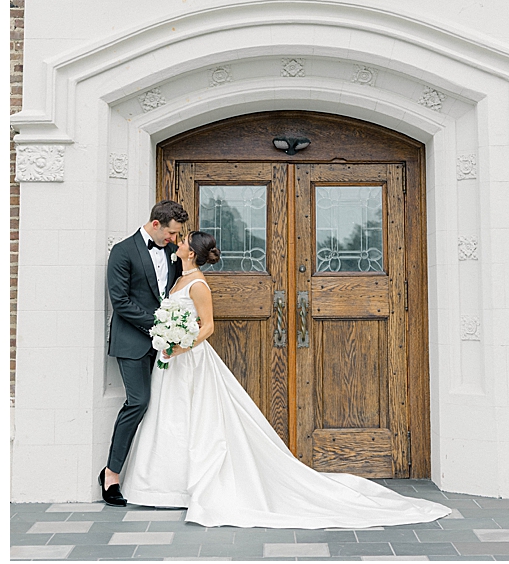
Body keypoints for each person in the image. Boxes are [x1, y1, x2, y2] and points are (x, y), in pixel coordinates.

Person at [121, 231, 451, 528]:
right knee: (174, 418)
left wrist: (180, 347)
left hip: (189, 360)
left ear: (190, 253)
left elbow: (208, 327)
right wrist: (167, 338)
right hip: (173, 360)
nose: (176, 244)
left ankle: (190, 485)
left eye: (182, 242)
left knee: (198, 420)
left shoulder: (198, 285)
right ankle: (166, 486)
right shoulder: (179, 279)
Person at [99, 200, 189, 506]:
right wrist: (160, 324)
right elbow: (120, 301)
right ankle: (111, 474)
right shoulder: (122, 252)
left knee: (165, 407)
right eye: (172, 233)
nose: (174, 239)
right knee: (138, 402)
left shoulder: (171, 252)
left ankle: (153, 477)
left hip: (165, 344)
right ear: (155, 225)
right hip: (133, 342)